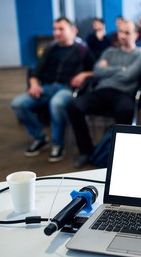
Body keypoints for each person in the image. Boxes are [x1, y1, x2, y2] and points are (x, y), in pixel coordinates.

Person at [67, 20, 141, 168]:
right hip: (102, 91)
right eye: (120, 32)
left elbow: (129, 76)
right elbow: (97, 72)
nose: (122, 36)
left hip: (124, 93)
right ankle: (86, 151)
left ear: (136, 35)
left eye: (127, 32)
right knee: (74, 106)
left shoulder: (140, 54)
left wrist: (109, 69)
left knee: (125, 110)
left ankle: (119, 154)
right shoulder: (109, 52)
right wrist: (121, 68)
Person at [11, 17, 94, 162]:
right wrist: (34, 84)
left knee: (56, 103)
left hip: (67, 89)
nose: (56, 33)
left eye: (61, 29)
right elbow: (35, 72)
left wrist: (84, 74)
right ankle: (40, 138)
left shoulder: (82, 50)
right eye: (55, 29)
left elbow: (95, 70)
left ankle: (57, 143)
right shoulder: (50, 49)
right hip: (47, 88)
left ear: (72, 31)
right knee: (18, 104)